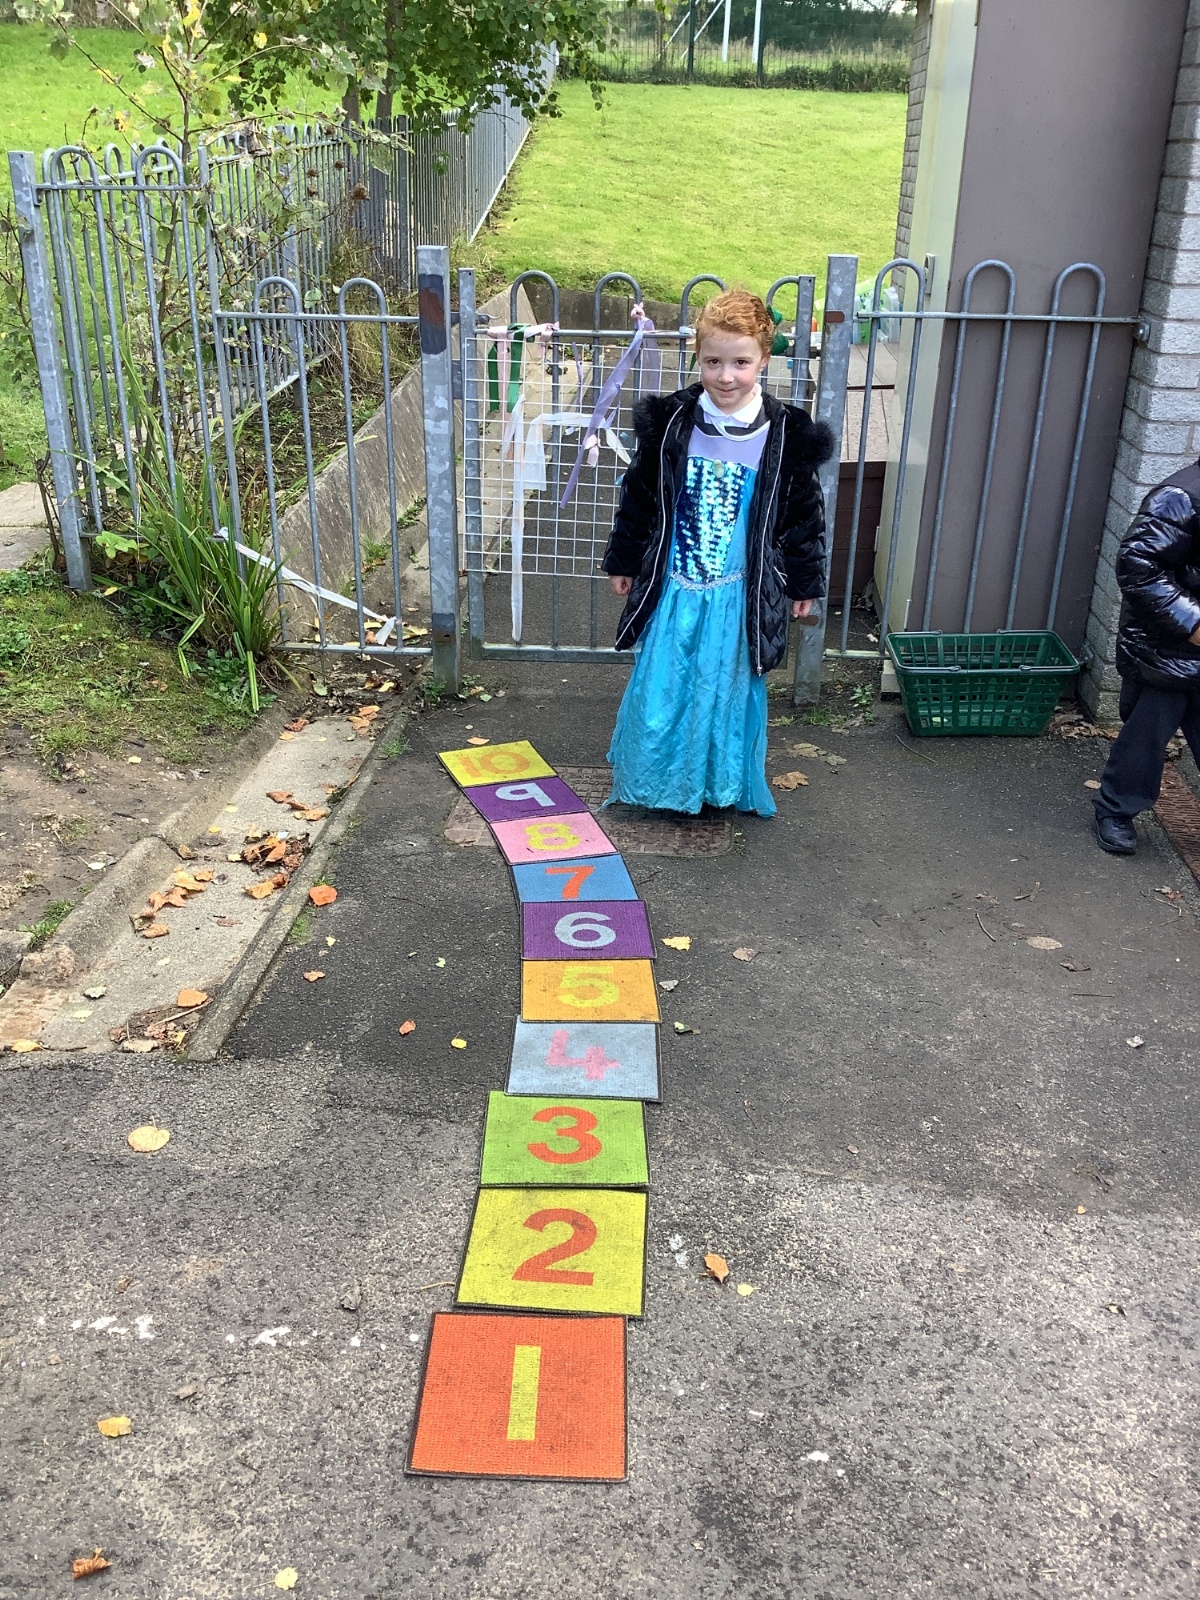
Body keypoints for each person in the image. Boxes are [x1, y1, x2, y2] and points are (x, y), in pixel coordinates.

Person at [601, 289, 834, 817]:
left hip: (737, 595)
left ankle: (711, 784)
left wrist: (804, 583)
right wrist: (624, 558)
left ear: (764, 359)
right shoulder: (672, 422)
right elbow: (640, 494)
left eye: (740, 363)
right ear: (698, 357)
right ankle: (657, 780)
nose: (726, 377)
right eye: (713, 362)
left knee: (721, 689)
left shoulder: (785, 435)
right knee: (662, 684)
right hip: (675, 587)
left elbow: (804, 518)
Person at [1093, 460, 1200, 854]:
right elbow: (1139, 566)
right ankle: (1116, 810)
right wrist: (1192, 623)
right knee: (1146, 737)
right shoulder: (1180, 497)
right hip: (1168, 649)